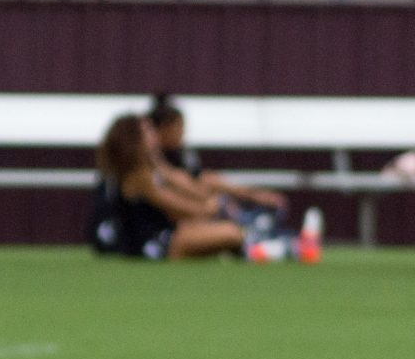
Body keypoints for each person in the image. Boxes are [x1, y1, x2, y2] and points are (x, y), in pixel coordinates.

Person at [89, 112, 319, 262]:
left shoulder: (153, 168)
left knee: (224, 229)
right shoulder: (138, 175)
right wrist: (208, 210)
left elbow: (188, 187)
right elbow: (174, 206)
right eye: (147, 131)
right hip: (154, 246)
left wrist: (207, 204)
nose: (153, 136)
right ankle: (292, 247)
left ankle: (283, 243)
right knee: (229, 232)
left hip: (169, 234)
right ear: (133, 139)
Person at [144, 93, 314, 256]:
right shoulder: (147, 168)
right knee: (233, 232)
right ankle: (278, 245)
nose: (183, 133)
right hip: (164, 239)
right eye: (180, 127)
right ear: (163, 128)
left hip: (181, 227)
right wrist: (205, 208)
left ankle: (276, 241)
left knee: (232, 224)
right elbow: (174, 197)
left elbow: (200, 182)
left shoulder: (172, 159)